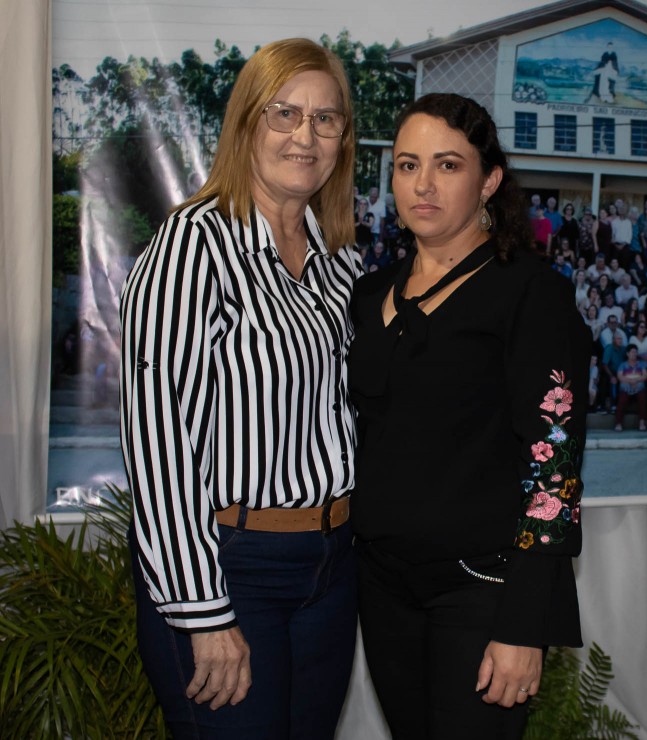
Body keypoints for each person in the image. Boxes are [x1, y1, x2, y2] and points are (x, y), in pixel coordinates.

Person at [119, 39, 361, 739]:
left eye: (325, 119)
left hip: (330, 570)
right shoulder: (192, 246)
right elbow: (158, 439)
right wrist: (202, 611)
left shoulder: (340, 260)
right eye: (285, 113)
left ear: (343, 139)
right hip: (230, 569)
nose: (305, 136)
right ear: (246, 123)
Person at [347, 93, 590, 738]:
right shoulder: (368, 294)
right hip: (382, 587)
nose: (423, 184)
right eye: (407, 165)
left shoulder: (531, 293)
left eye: (448, 165)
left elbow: (554, 467)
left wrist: (524, 625)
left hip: (483, 589)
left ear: (488, 181)